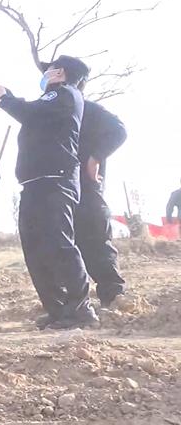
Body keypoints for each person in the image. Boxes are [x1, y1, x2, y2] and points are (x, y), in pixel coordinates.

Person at [0, 57, 97, 329]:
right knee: (35, 248)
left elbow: (23, 110)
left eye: (50, 68)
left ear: (60, 73)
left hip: (55, 181)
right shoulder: (50, 100)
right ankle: (58, 310)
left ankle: (80, 309)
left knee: (59, 244)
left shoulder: (65, 95)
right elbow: (21, 105)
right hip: (36, 183)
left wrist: (3, 98)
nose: (46, 73)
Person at [75, 96, 128, 307]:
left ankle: (113, 297)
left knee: (95, 240)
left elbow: (118, 130)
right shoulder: (53, 109)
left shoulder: (87, 108)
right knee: (67, 246)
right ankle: (74, 302)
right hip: (58, 190)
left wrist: (95, 158)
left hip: (86, 187)